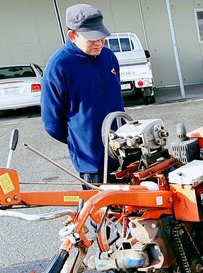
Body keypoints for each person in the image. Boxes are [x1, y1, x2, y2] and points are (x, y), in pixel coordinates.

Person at [41, 3, 124, 187]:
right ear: (72, 35)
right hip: (92, 162)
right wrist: (82, 140)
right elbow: (51, 123)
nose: (99, 43)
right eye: (92, 39)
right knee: (103, 213)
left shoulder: (108, 57)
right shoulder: (59, 66)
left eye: (101, 37)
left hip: (124, 152)